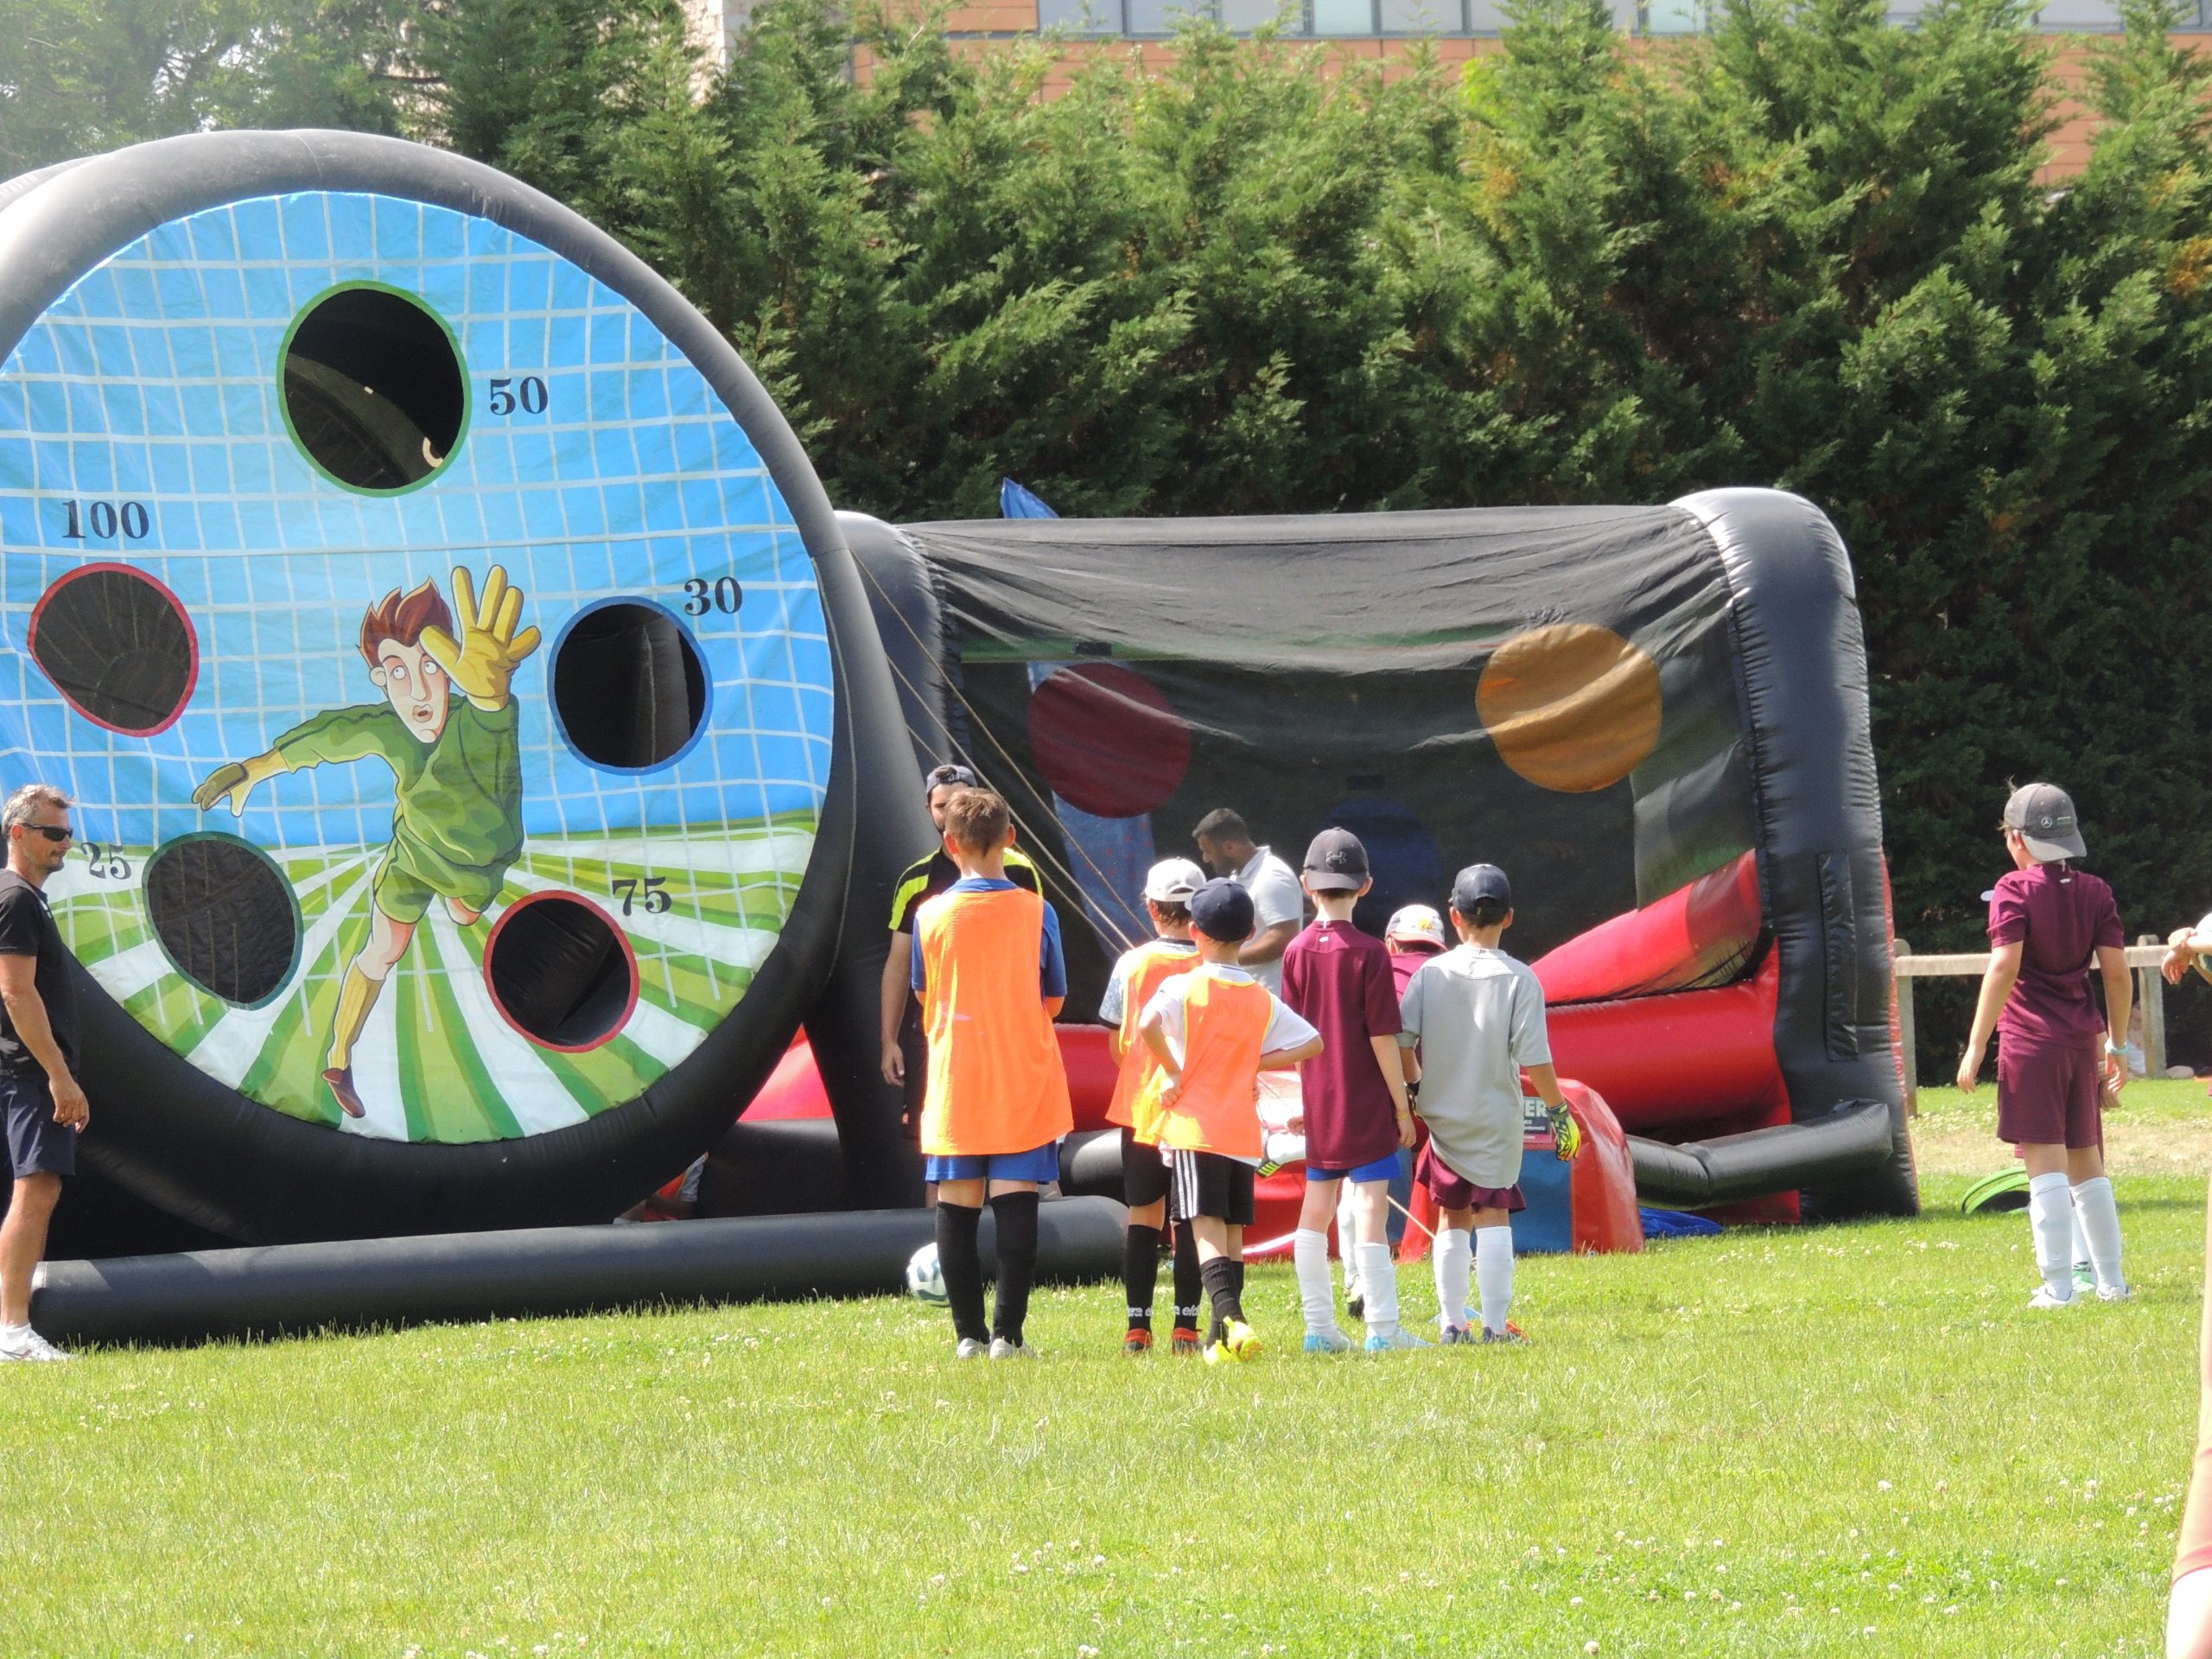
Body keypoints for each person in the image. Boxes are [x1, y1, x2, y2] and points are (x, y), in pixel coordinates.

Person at [194, 567, 536, 1122]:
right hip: (414, 854)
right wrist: (254, 768)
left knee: (465, 913)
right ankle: (338, 1057)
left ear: (453, 669)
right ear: (380, 678)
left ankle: (460, 903)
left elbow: (493, 718)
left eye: (431, 666)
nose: (418, 690)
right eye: (399, 671)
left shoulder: (476, 721)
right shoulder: (392, 727)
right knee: (382, 949)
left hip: (477, 865)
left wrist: (493, 696)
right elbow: (331, 736)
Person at [912, 788, 1073, 1359]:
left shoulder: (929, 915)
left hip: (957, 1076)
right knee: (1016, 1200)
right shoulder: (1038, 911)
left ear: (950, 844)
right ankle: (1009, 1335)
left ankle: (967, 1336)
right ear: (1011, 838)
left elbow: (924, 992)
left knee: (955, 1203)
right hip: (1022, 1072)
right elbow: (1055, 998)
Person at [1955, 783, 2131, 1308]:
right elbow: (2117, 973)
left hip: (2031, 1042)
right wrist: (2117, 1046)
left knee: (2045, 1167)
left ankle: (2058, 1288)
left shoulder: (2012, 888)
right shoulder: (2096, 891)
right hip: (2081, 1042)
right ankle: (2113, 1284)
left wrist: (1976, 1044)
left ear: (2016, 838)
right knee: (2087, 1163)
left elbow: (2004, 965)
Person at [1137, 878, 1323, 1364]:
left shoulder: (1184, 985)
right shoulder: (1260, 996)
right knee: (1233, 1229)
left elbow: (1146, 1025)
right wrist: (1255, 1063)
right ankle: (1220, 1340)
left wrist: (1172, 1069)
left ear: (1195, 931)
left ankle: (1231, 1315)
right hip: (1243, 1129)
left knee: (1204, 1225)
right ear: (1250, 933)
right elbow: (1313, 1042)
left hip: (1195, 1127)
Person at [1397, 863, 1564, 1344]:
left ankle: (1452, 1323)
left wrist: (1416, 1088)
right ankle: (1494, 1325)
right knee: (1494, 1214)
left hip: (1442, 1118)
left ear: (1454, 916)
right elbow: (1536, 1058)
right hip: (1496, 1118)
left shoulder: (1430, 973)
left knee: (1451, 1215)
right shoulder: (1521, 978)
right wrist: (1559, 1111)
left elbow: (1402, 1040)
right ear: (1509, 918)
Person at [1281, 829, 1423, 1354]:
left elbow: (1295, 1036)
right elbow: (1384, 1038)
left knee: (1314, 1211)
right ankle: (1382, 1328)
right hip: (1365, 1102)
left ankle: (1319, 1328)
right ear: (1365, 886)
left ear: (1306, 885)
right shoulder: (1370, 953)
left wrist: (1304, 1101)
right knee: (1370, 1209)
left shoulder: (1294, 951)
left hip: (1321, 1104)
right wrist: (1402, 1107)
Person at [880, 763, 1040, 1140]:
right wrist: (888, 1039)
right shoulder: (916, 880)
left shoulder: (1019, 871)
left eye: (960, 801)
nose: (952, 812)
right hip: (938, 1032)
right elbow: (899, 966)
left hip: (1005, 1029)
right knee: (936, 1138)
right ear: (929, 811)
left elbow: (1037, 956)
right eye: (941, 806)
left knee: (1013, 1132)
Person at [1098, 857, 1209, 1356]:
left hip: (1142, 1108)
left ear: (1151, 907)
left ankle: (1136, 1328)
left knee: (1143, 1214)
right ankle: (1186, 1326)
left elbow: (1116, 1040)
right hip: (1200, 1111)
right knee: (1191, 1217)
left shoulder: (1133, 964)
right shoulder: (1213, 965)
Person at [0, 784, 86, 1363]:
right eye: (53, 833)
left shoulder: (25, 898)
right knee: (36, 1191)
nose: (64, 844)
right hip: (30, 1074)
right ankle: (13, 1332)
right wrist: (59, 1075)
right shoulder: (16, 899)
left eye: (68, 834)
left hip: (31, 1072)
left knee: (37, 1190)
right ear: (19, 833)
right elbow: (16, 991)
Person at [1191, 808, 1303, 994]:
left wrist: (1224, 959)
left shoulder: (1271, 875)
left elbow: (1285, 938)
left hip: (1273, 995)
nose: (1205, 858)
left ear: (1229, 847)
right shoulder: (1238, 876)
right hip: (1249, 993)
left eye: (1207, 851)